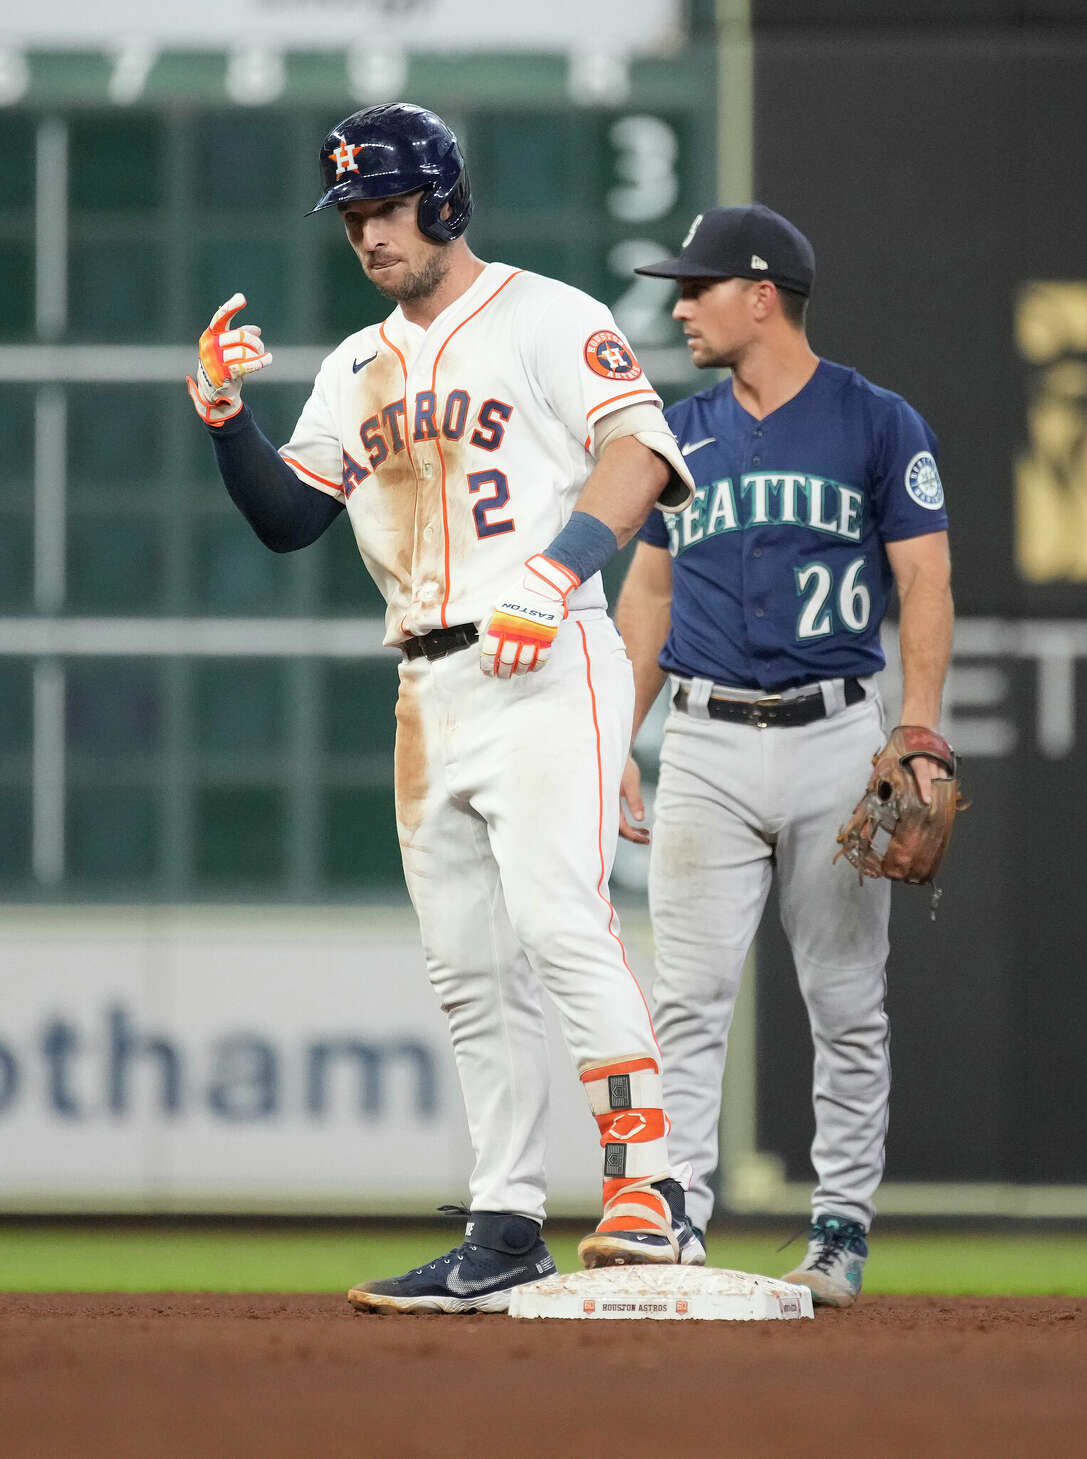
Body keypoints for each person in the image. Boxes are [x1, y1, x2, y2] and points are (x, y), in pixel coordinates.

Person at [186, 103, 698, 1313]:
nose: (366, 233)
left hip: (547, 655)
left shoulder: (545, 315)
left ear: (447, 202)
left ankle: (647, 1188)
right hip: (428, 681)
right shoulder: (354, 367)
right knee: (468, 967)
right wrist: (222, 418)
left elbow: (640, 455)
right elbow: (289, 518)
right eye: (353, 215)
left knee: (558, 915)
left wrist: (557, 569)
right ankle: (506, 1223)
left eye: (385, 207)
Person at [615, 204, 954, 1307]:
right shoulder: (681, 429)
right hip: (706, 741)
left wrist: (917, 726)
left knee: (847, 1000)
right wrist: (616, 735)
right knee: (689, 997)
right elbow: (649, 592)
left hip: (834, 740)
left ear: (761, 295)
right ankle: (676, 1217)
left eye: (697, 286)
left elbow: (924, 580)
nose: (679, 304)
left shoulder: (876, 420)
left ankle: (840, 1228)